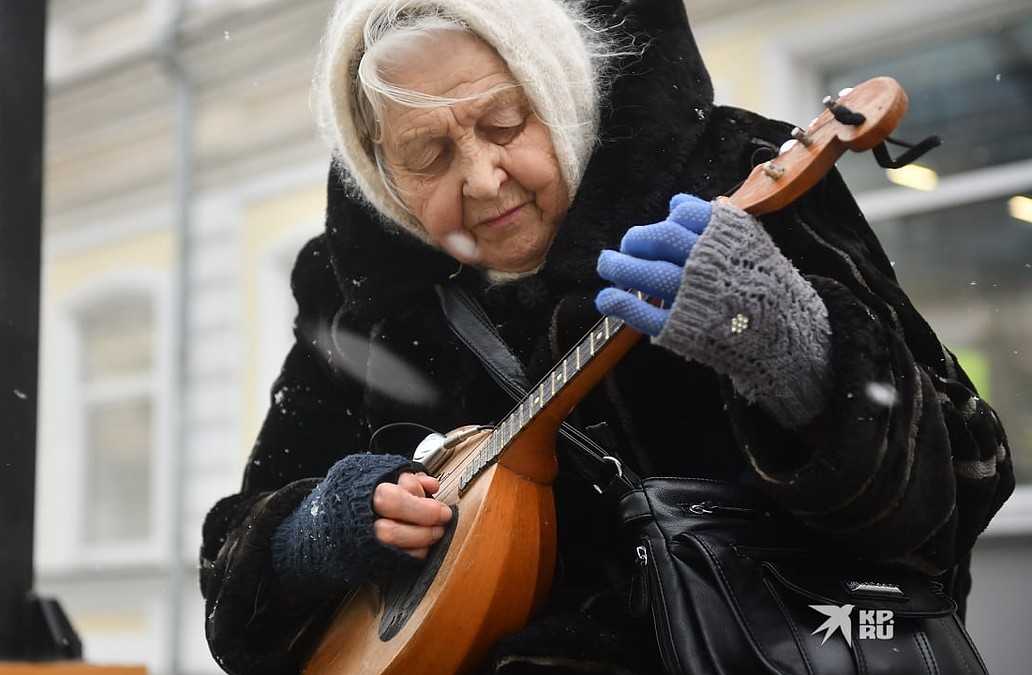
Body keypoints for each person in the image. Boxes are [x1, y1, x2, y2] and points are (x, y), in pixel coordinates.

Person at [200, 0, 1015, 672]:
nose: (481, 178)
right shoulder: (359, 300)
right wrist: (315, 534)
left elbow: (966, 480)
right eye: (427, 152)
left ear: (556, 89)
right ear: (380, 170)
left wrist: (790, 345)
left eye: (506, 122)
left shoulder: (733, 175)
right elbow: (233, 557)